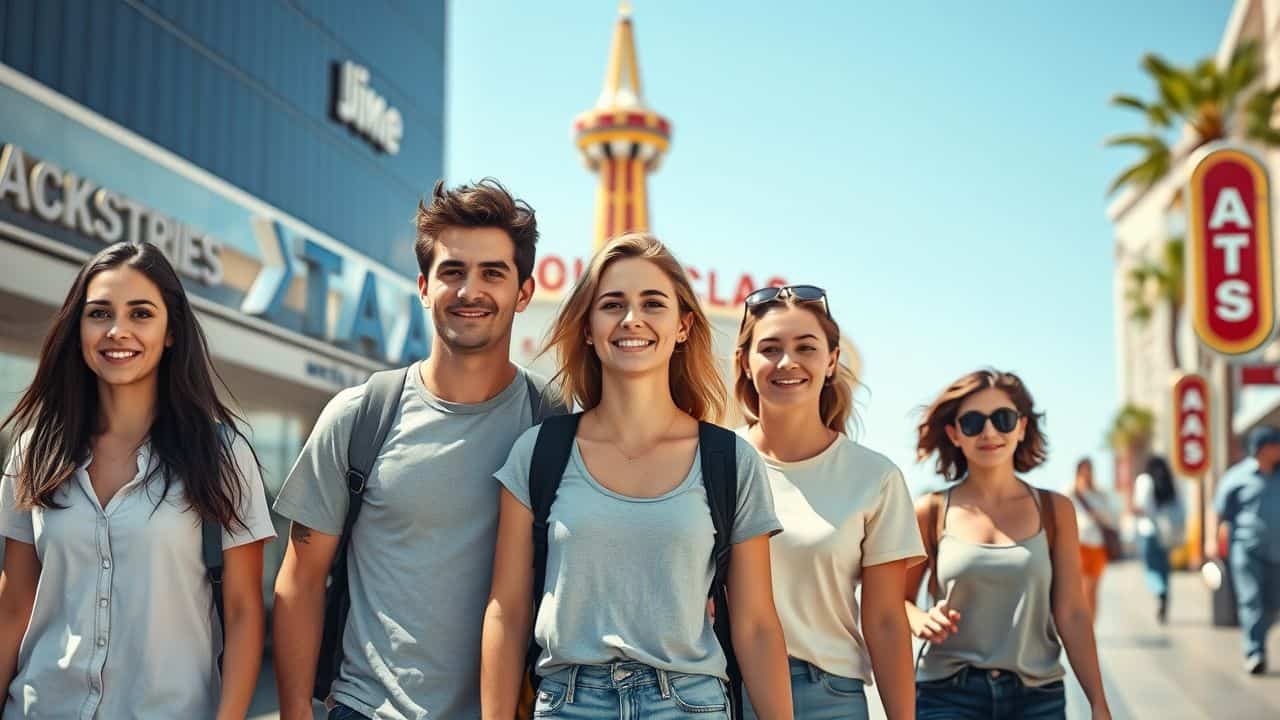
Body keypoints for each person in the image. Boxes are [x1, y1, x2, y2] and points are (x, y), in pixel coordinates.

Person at [272, 179, 561, 720]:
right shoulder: (360, 417)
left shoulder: (557, 426)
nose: (470, 291)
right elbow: (301, 579)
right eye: (453, 272)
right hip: (366, 708)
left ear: (523, 293)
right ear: (425, 287)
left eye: (492, 273)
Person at [481, 233, 793, 720]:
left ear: (683, 325)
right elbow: (508, 607)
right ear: (587, 327)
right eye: (612, 304)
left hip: (691, 704)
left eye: (653, 303)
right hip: (568, 704)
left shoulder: (730, 459)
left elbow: (756, 624)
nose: (632, 320)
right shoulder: (538, 452)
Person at [0, 241, 275, 719]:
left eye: (141, 314)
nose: (117, 330)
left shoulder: (222, 456)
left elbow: (243, 612)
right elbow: (14, 604)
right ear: (78, 327)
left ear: (171, 332)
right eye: (99, 313)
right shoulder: (34, 451)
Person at [733, 284, 923, 720]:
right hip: (721, 693)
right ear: (745, 362)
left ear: (832, 360)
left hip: (829, 698)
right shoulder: (715, 463)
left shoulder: (875, 478)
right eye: (770, 348)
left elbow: (887, 621)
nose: (788, 362)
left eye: (806, 347)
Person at [906, 369, 1110, 720]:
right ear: (954, 434)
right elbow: (896, 600)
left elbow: (1073, 612)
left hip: (1037, 697)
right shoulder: (931, 511)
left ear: (1021, 427)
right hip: (947, 695)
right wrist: (920, 618)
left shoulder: (1055, 510)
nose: (989, 432)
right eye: (972, 422)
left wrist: (1098, 701)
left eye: (1002, 419)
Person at [1214, 424, 1280, 675]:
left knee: (1273, 605)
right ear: (1263, 449)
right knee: (1250, 599)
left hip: (1276, 553)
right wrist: (1212, 539)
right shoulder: (1236, 477)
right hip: (1245, 549)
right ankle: (1255, 652)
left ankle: (1258, 635)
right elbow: (1218, 509)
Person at [1131, 456, 1183, 625]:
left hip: (1148, 531)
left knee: (1151, 568)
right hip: (1166, 532)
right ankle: (1165, 593)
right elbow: (1180, 507)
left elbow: (1140, 506)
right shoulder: (1171, 481)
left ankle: (1159, 590)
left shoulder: (1144, 480)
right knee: (1164, 568)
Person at [1070, 458, 1117, 621]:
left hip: (1098, 545)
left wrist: (1099, 515)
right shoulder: (1070, 494)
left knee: (1094, 589)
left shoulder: (1100, 494)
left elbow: (1111, 518)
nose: (1086, 474)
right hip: (1080, 545)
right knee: (1084, 588)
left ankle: (1091, 626)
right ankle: (1083, 624)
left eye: (1088, 470)